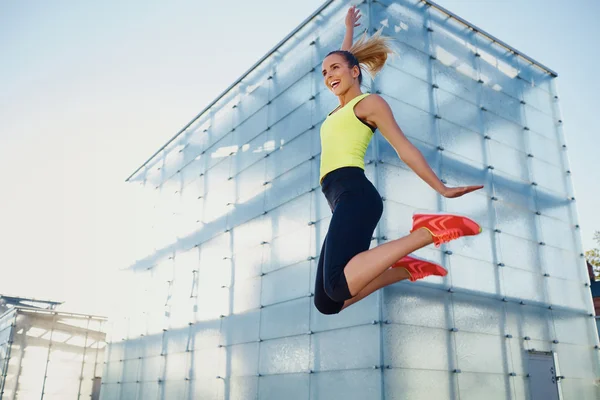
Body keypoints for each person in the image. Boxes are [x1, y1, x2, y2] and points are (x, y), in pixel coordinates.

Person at [314, 6, 484, 315]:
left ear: (354, 72)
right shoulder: (337, 110)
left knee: (338, 284)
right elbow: (346, 55)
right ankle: (405, 269)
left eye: (335, 69)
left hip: (356, 196)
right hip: (339, 200)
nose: (329, 76)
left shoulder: (368, 104)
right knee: (327, 302)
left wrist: (441, 188)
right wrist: (349, 29)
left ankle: (427, 231)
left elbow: (404, 148)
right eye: (325, 72)